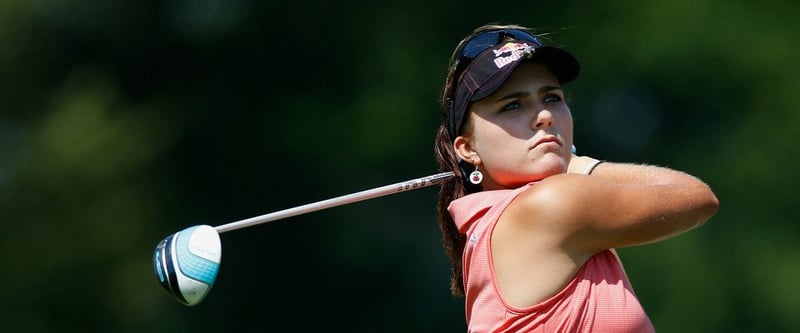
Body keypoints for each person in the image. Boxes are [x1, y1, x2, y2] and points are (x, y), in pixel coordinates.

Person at [433, 23, 720, 332]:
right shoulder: (555, 202)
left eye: (552, 97)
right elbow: (697, 197)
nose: (544, 115)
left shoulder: (488, 226)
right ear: (467, 149)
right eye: (512, 105)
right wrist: (578, 162)